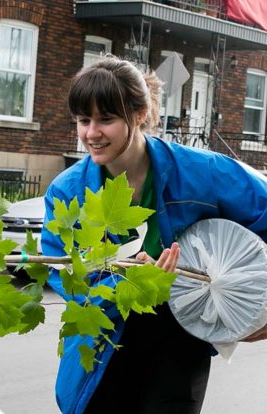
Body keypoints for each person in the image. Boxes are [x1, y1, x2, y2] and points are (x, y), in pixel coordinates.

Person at [41, 54, 267, 414]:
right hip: (106, 340)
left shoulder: (201, 171)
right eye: (84, 120)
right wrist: (123, 280)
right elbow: (65, 273)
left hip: (179, 339)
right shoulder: (67, 192)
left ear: (140, 115)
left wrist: (254, 299)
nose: (91, 133)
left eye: (107, 119)